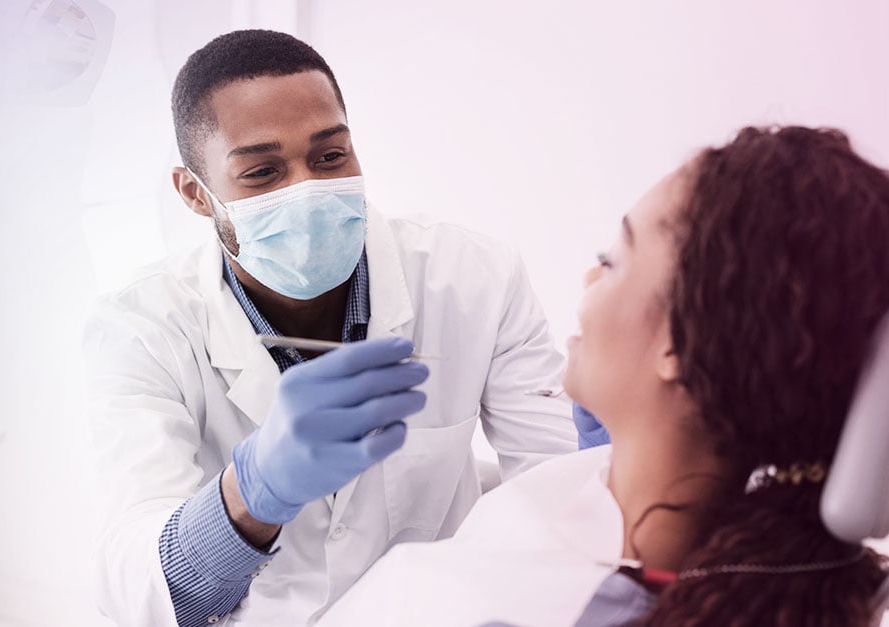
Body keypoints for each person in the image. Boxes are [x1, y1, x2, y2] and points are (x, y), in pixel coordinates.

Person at [83, 30, 596, 626]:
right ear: (197, 194)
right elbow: (140, 592)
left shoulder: (474, 277)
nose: (308, 189)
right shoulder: (141, 328)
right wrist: (251, 496)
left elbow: (561, 499)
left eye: (330, 157)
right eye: (263, 172)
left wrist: (610, 464)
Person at [319, 126, 889, 626]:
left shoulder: (510, 608)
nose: (590, 278)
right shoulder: (793, 564)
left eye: (615, 260)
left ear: (680, 342)